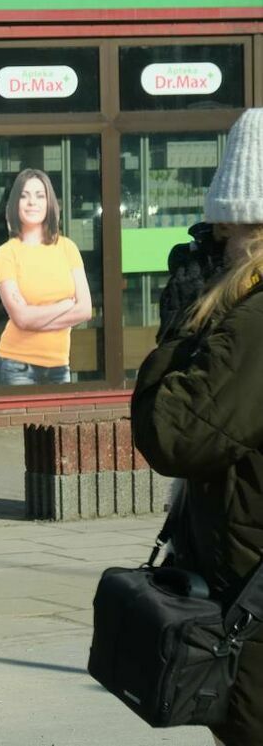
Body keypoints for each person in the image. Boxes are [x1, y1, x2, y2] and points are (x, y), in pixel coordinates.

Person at [132, 108, 263, 746]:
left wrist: (181, 333)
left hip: (253, 600)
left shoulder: (257, 321)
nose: (215, 244)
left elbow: (173, 435)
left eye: (226, 232)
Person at [0, 168, 93, 386]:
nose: (31, 203)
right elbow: (22, 319)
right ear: (15, 204)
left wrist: (34, 320)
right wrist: (65, 305)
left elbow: (85, 310)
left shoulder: (67, 248)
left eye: (39, 195)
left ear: (49, 203)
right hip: (15, 367)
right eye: (24, 196)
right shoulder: (5, 254)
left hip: (59, 366)